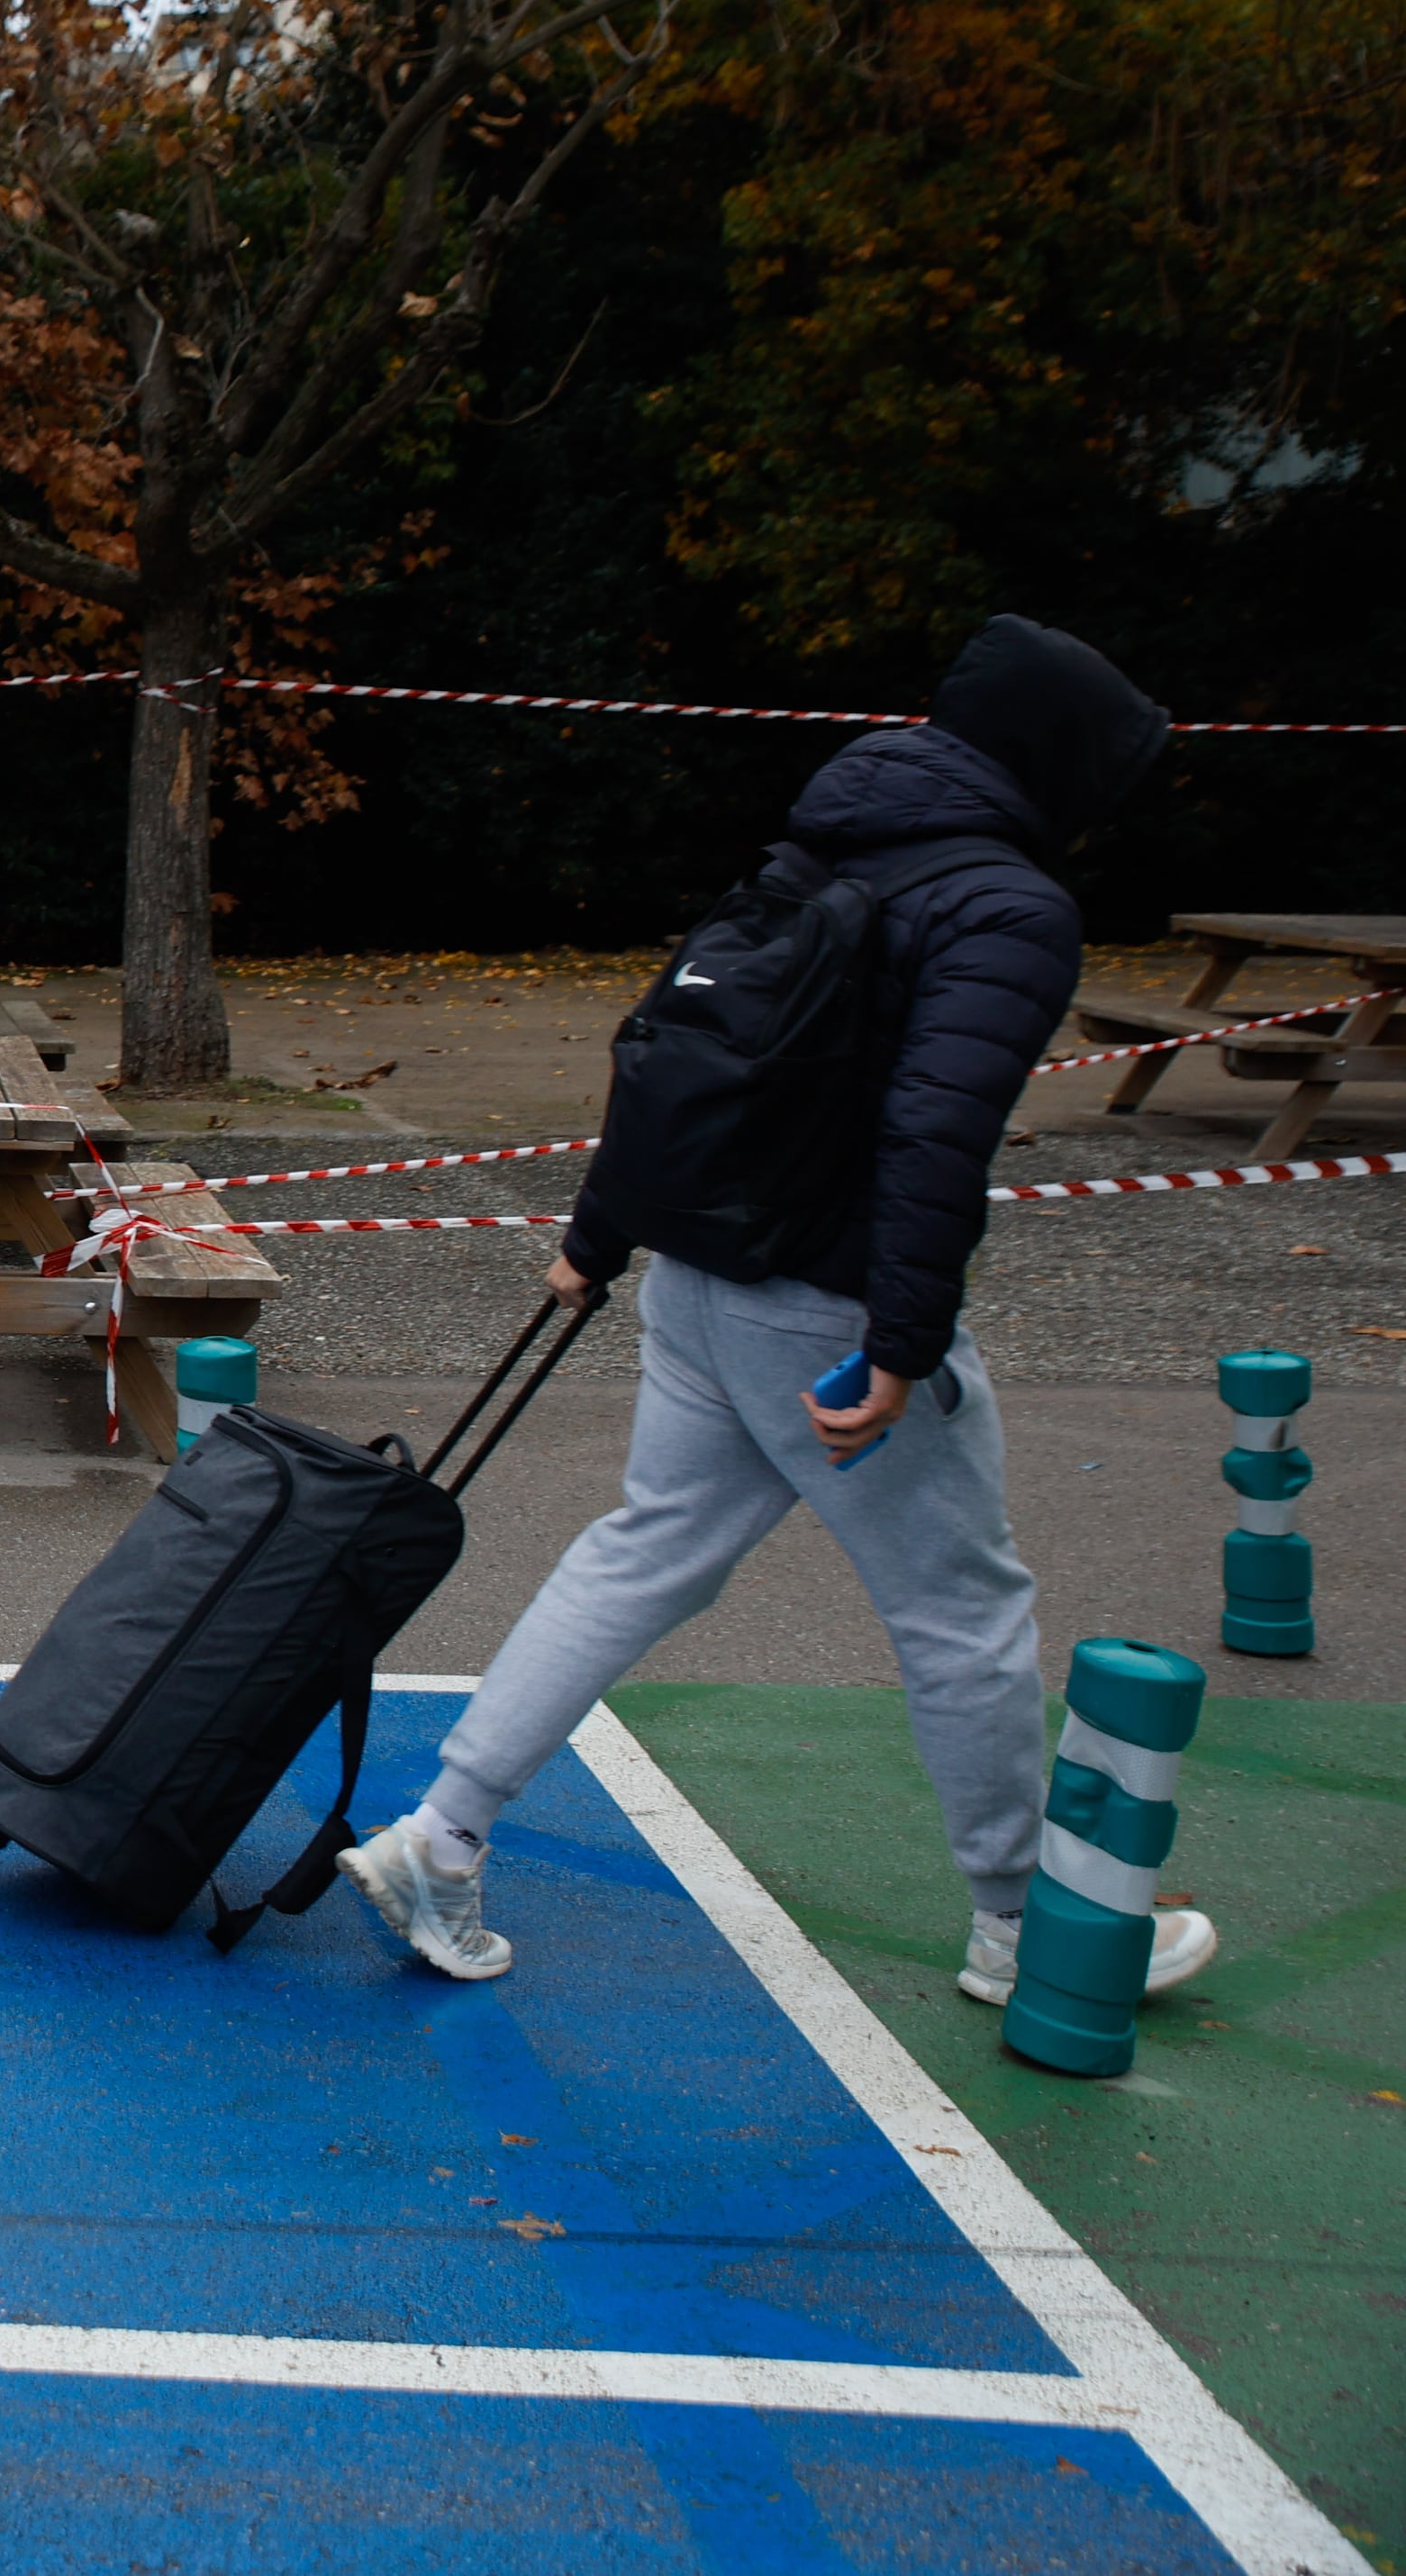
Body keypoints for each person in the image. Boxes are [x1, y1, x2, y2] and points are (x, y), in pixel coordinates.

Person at [340, 615, 1218, 2012]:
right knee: (963, 1607)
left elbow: (671, 1043)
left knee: (644, 1552)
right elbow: (937, 1136)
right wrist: (902, 1346)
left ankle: (441, 1833)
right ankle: (1021, 1921)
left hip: (699, 1279)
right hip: (824, 1304)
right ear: (1060, 766)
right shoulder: (1006, 905)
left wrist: (599, 1234)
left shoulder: (816, 845)